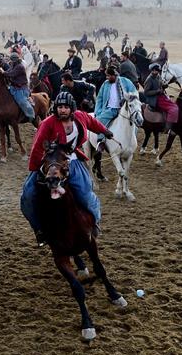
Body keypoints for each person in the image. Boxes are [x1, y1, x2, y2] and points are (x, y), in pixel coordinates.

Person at [21, 92, 113, 245]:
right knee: (28, 196)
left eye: (65, 107)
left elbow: (92, 122)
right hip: (51, 163)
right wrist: (36, 169)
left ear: (72, 108)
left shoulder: (80, 117)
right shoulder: (47, 123)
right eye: (60, 107)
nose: (62, 110)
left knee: (85, 195)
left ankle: (95, 223)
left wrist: (105, 131)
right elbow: (37, 146)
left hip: (74, 162)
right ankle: (39, 230)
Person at [94, 65, 137, 133]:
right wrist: (97, 111)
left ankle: (132, 139)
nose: (106, 77)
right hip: (110, 110)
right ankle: (101, 139)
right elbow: (99, 98)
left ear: (114, 75)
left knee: (134, 126)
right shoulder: (105, 84)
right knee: (99, 123)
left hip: (125, 110)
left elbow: (134, 93)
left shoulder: (126, 82)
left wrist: (129, 97)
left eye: (108, 76)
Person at [142, 63, 178, 133]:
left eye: (156, 70)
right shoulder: (149, 80)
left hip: (161, 96)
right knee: (172, 109)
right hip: (155, 99)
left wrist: (165, 85)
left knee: (175, 105)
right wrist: (157, 91)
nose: (155, 72)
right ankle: (167, 127)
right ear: (151, 70)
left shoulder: (158, 76)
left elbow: (161, 84)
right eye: (153, 70)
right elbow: (146, 92)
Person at [4, 53, 36, 121]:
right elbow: (8, 71)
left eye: (12, 60)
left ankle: (31, 115)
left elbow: (11, 74)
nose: (12, 61)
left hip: (21, 89)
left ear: (16, 60)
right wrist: (3, 72)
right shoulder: (13, 66)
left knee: (22, 102)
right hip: (13, 87)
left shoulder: (20, 67)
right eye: (11, 60)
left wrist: (3, 73)